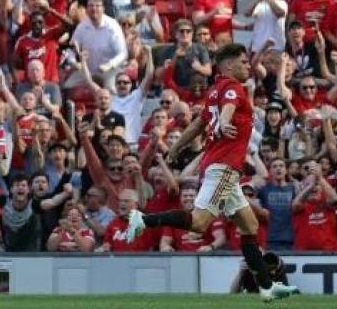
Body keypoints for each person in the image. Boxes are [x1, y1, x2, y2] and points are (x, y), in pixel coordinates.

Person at [125, 43, 298, 302]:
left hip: (219, 167)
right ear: (228, 66)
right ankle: (143, 219)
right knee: (199, 222)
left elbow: (198, 123)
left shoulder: (215, 91)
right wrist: (225, 124)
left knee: (249, 225)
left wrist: (176, 147)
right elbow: (227, 111)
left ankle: (266, 285)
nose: (247, 66)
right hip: (224, 168)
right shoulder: (232, 89)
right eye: (242, 62)